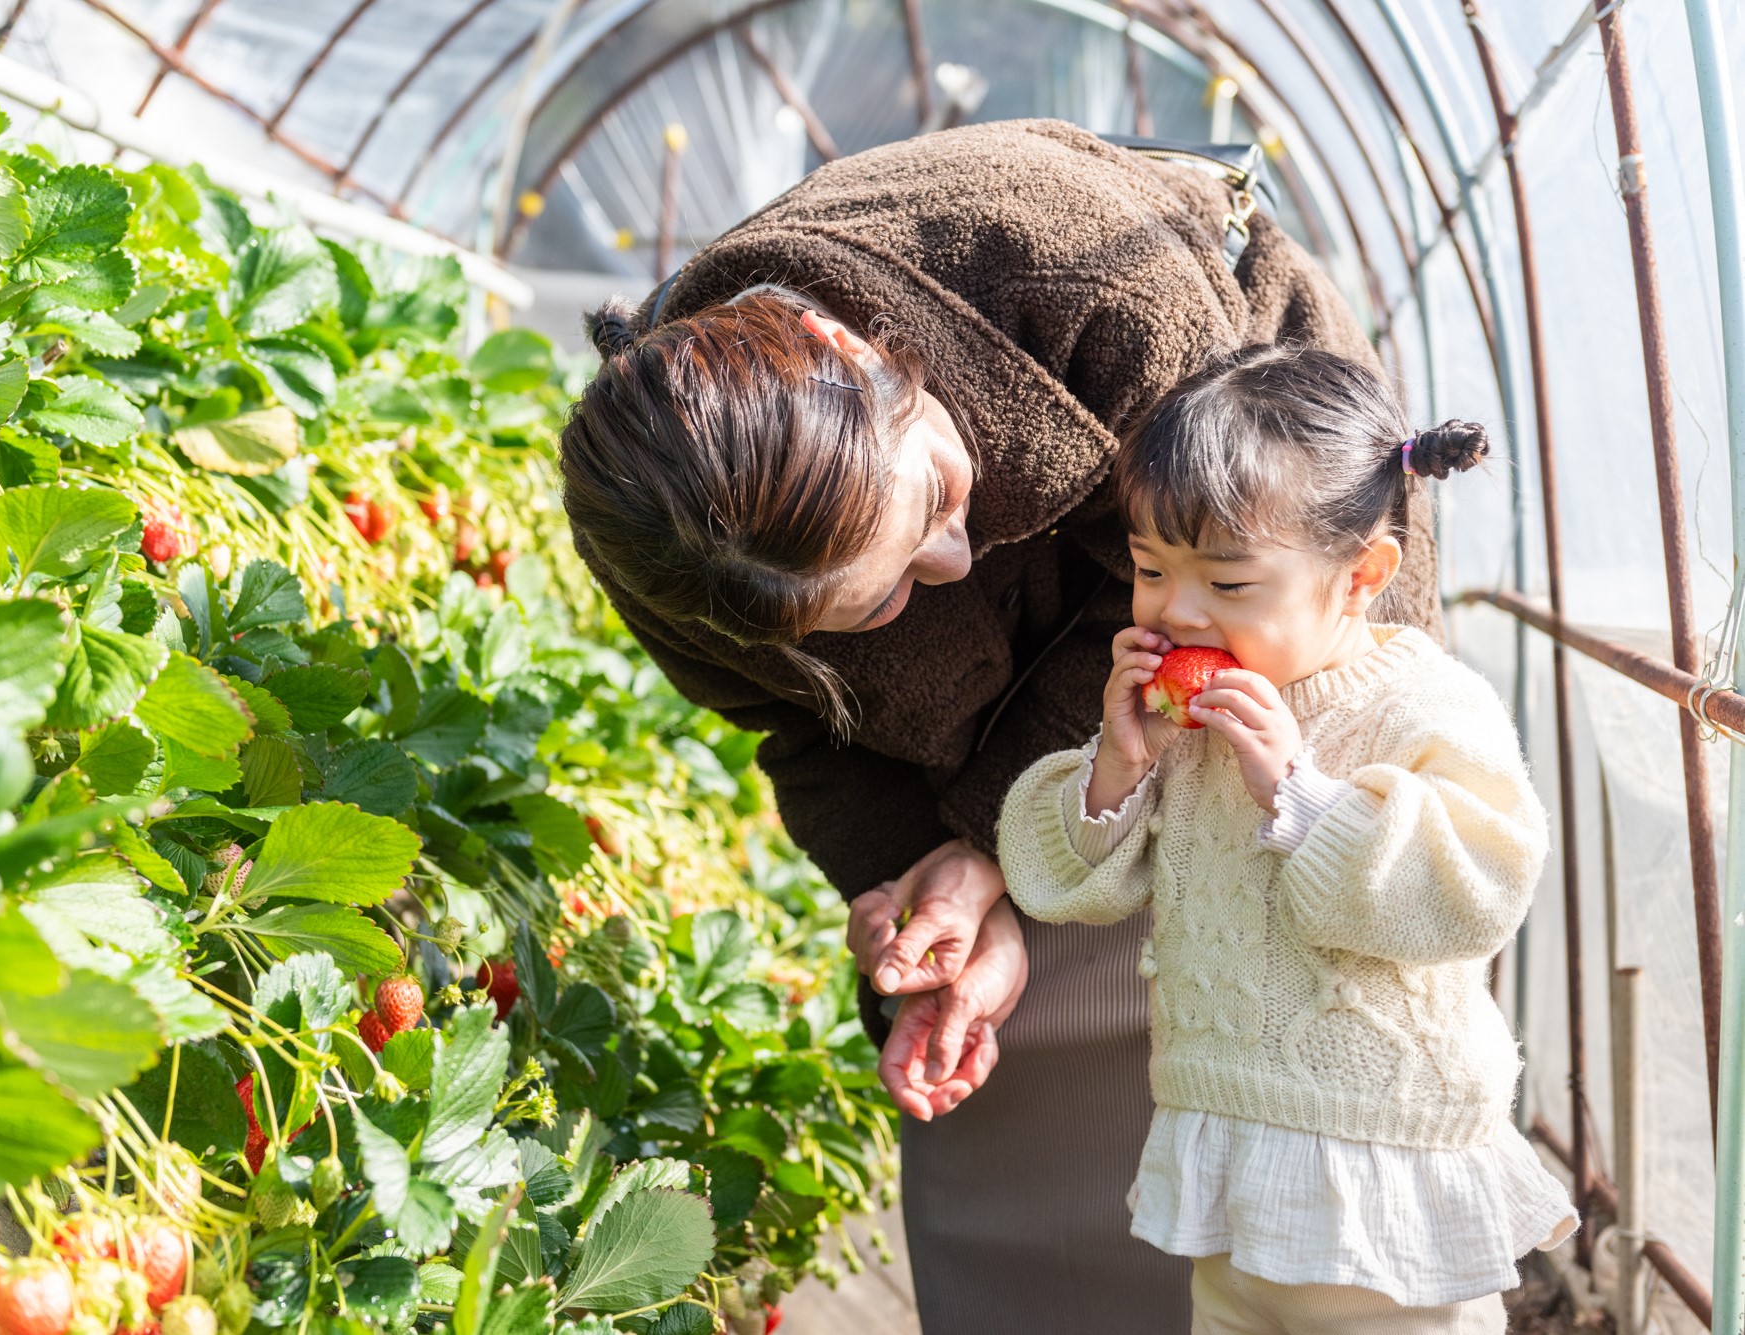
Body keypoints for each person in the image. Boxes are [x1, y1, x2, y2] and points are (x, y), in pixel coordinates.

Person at [560, 119, 1442, 1332]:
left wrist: (995, 839)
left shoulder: (1083, 269)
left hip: (1242, 548)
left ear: (849, 343)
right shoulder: (674, 550)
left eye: (930, 498)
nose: (953, 558)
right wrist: (920, 877)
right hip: (1046, 737)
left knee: (1255, 956)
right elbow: (806, 737)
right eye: (878, 604)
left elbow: (1175, 628)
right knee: (1023, 1057)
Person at [995, 345, 1576, 1335]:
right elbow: (1063, 880)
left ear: (1361, 577)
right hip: (1233, 1168)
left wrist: (1300, 796)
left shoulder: (1422, 703)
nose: (1176, 609)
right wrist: (1116, 767)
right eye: (1149, 569)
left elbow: (1479, 886)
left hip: (1386, 1182)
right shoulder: (1182, 722)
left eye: (1228, 583)